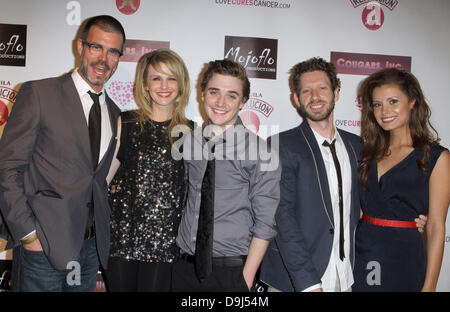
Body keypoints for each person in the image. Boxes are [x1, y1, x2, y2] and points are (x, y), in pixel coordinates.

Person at [0, 15, 125, 291]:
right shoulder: (40, 94)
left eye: (113, 51)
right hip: (41, 248)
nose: (103, 58)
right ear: (80, 47)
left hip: (89, 251)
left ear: (119, 58)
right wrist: (28, 235)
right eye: (96, 47)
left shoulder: (115, 114)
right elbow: (7, 168)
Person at [172, 59, 281, 292]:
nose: (221, 103)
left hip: (232, 273)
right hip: (183, 269)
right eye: (214, 92)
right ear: (202, 94)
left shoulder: (261, 152)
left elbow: (265, 222)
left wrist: (246, 279)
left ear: (243, 102)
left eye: (231, 95)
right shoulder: (188, 142)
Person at [260, 57, 363, 292]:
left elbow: (367, 203)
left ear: (336, 93)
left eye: (322, 88)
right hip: (296, 280)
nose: (315, 97)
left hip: (345, 276)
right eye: (306, 91)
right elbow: (282, 217)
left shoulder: (357, 146)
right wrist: (308, 283)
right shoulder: (280, 145)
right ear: (296, 99)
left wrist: (411, 217)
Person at [353, 68, 450, 292]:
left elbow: (436, 226)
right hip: (362, 255)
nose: (384, 111)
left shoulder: (436, 157)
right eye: (377, 104)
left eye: (393, 101)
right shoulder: (366, 153)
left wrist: (430, 286)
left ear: (413, 101)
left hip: (404, 258)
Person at [104, 48, 193, 291]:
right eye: (156, 78)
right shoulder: (126, 122)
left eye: (171, 78)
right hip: (122, 238)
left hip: (166, 243)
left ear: (181, 84)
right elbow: (103, 179)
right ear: (145, 84)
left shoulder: (190, 132)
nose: (164, 85)